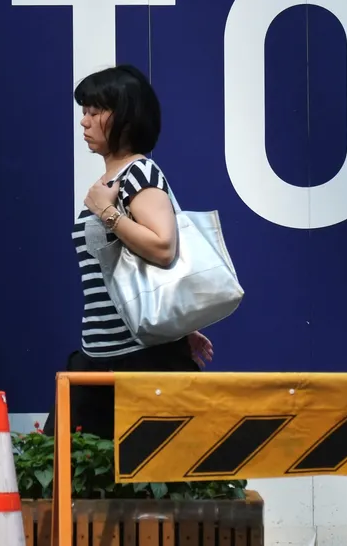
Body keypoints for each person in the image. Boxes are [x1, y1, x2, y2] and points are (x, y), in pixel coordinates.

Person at [45, 64, 214, 440]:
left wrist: (105, 212)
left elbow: (163, 246)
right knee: (73, 481)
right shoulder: (112, 182)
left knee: (147, 489)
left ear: (125, 116)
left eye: (95, 112)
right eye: (83, 112)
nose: (84, 122)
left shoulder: (139, 174)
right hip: (100, 357)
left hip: (140, 363)